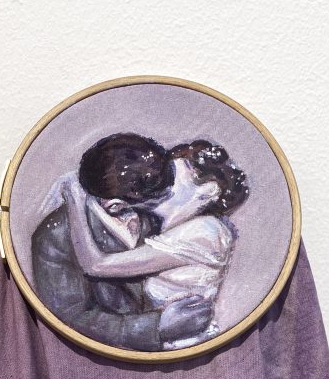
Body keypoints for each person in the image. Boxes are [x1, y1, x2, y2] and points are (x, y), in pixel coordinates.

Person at [31, 134, 214, 351]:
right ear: (116, 205)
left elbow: (98, 265)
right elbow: (71, 316)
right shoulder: (56, 236)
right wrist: (156, 327)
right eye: (162, 196)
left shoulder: (167, 218)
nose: (171, 191)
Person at [61, 140, 249, 349]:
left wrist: (75, 202)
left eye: (172, 178)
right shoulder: (173, 227)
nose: (160, 185)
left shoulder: (203, 232)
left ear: (207, 192)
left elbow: (96, 265)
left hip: (185, 342)